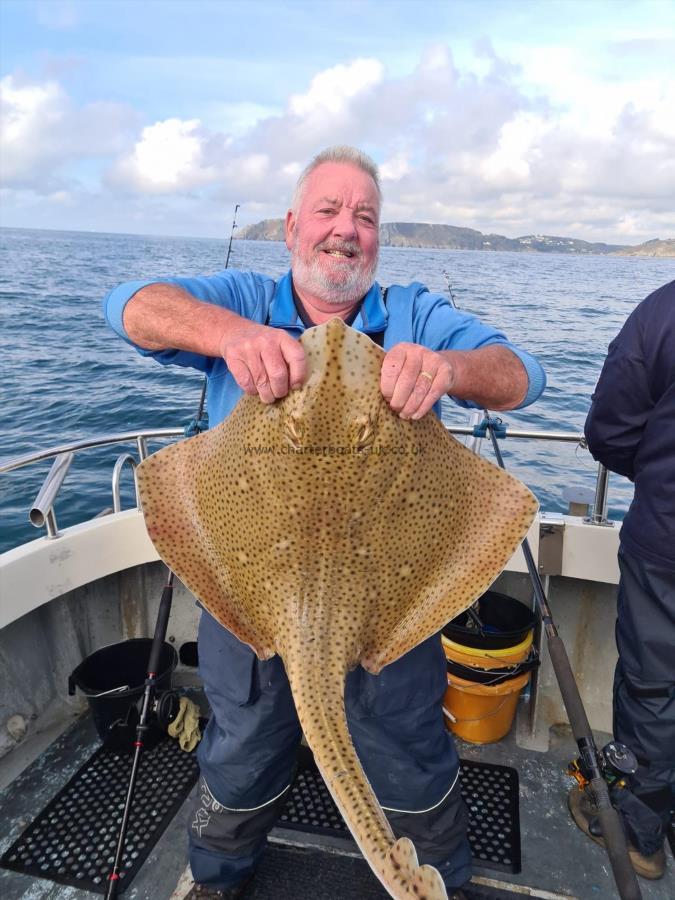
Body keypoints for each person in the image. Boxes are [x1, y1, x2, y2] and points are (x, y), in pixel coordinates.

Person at [104, 146, 546, 900]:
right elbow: (129, 307)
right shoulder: (242, 296)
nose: (346, 230)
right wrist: (227, 336)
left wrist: (450, 369)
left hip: (388, 594)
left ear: (378, 237)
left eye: (365, 217)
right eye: (329, 211)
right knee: (241, 748)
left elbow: (523, 377)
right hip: (250, 594)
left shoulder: (413, 313)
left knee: (409, 749)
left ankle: (436, 880)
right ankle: (218, 878)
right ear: (291, 228)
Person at [569, 279, 675, 880]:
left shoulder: (664, 311)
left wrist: (657, 472)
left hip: (666, 547)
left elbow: (610, 429)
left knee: (652, 690)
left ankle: (641, 836)